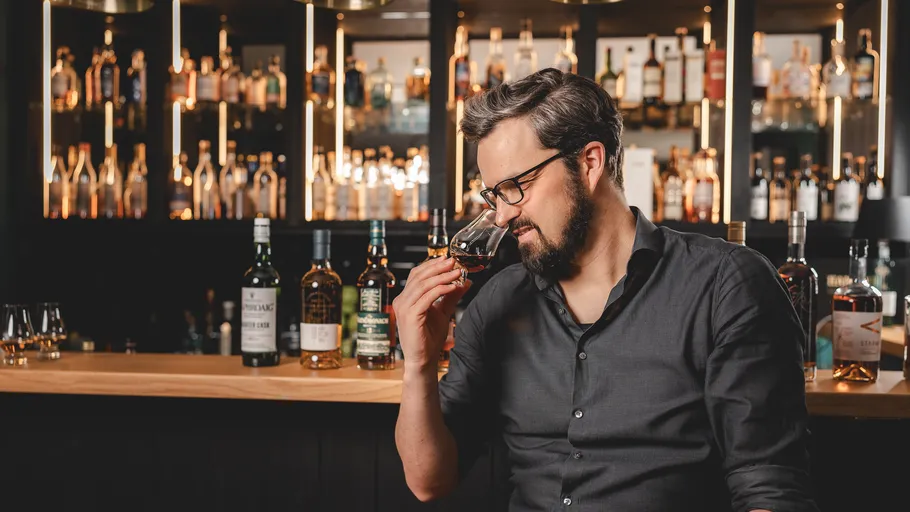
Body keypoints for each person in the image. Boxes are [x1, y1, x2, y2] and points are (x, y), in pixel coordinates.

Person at [393, 69, 817, 511]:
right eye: (493, 196)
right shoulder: (499, 300)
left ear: (589, 163)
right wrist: (418, 365)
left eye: (516, 187)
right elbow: (428, 482)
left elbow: (769, 488)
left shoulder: (726, 285)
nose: (501, 217)